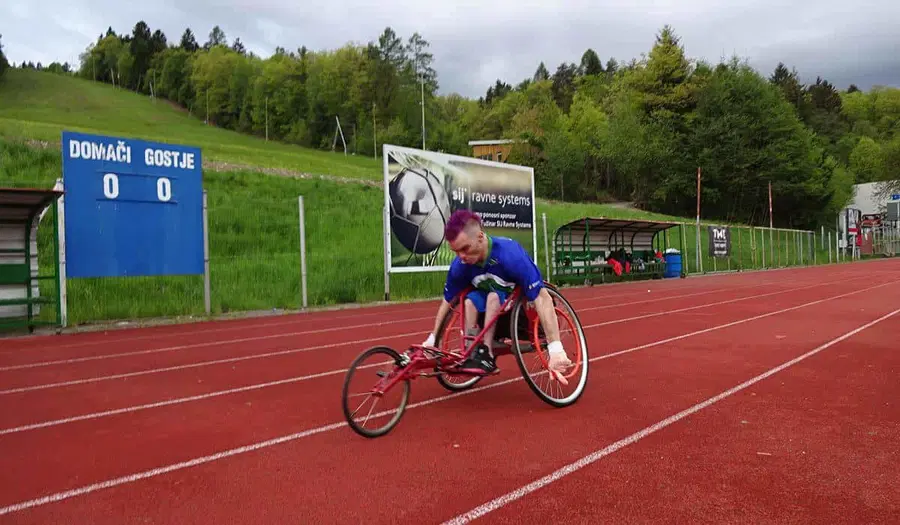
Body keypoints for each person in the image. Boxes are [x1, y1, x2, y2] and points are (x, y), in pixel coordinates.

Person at [419, 209, 573, 384]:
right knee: (469, 301)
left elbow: (542, 298)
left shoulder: (510, 254)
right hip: (485, 314)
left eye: (465, 249)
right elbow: (447, 303)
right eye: (456, 251)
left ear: (480, 237)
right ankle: (472, 350)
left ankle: (487, 353)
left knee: (493, 297)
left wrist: (555, 348)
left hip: (516, 312)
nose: (461, 257)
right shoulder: (460, 266)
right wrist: (433, 339)